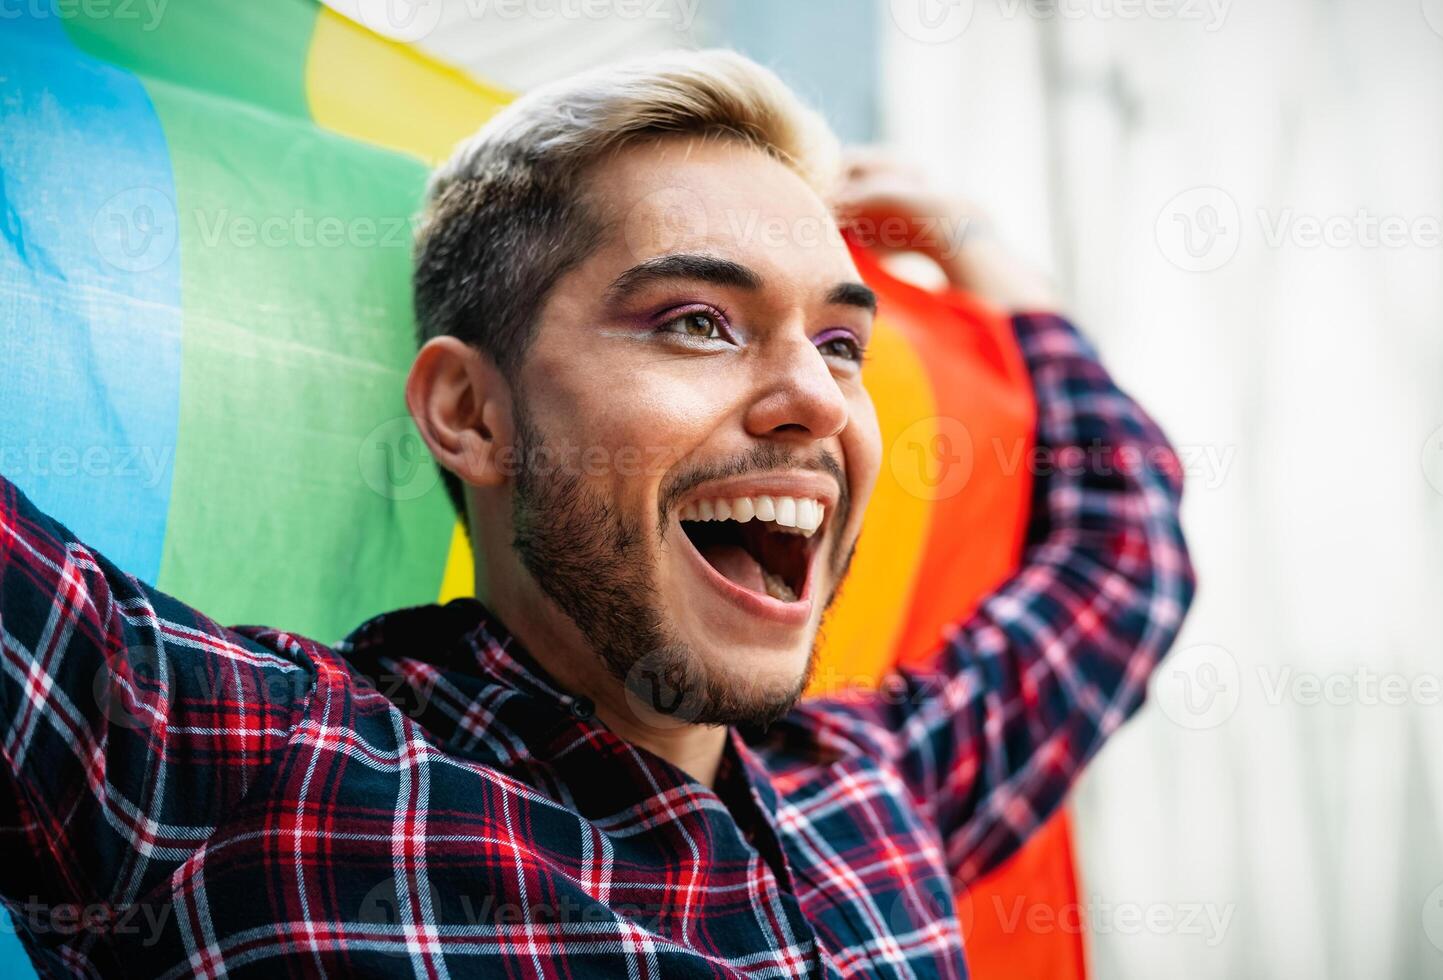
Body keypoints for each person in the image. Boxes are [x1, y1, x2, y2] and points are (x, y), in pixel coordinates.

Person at [0, 49, 1194, 978]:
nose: (817, 402)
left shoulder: (877, 788)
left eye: (842, 344)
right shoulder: (235, 765)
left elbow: (1122, 563)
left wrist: (984, 254)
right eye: (696, 321)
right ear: (472, 413)